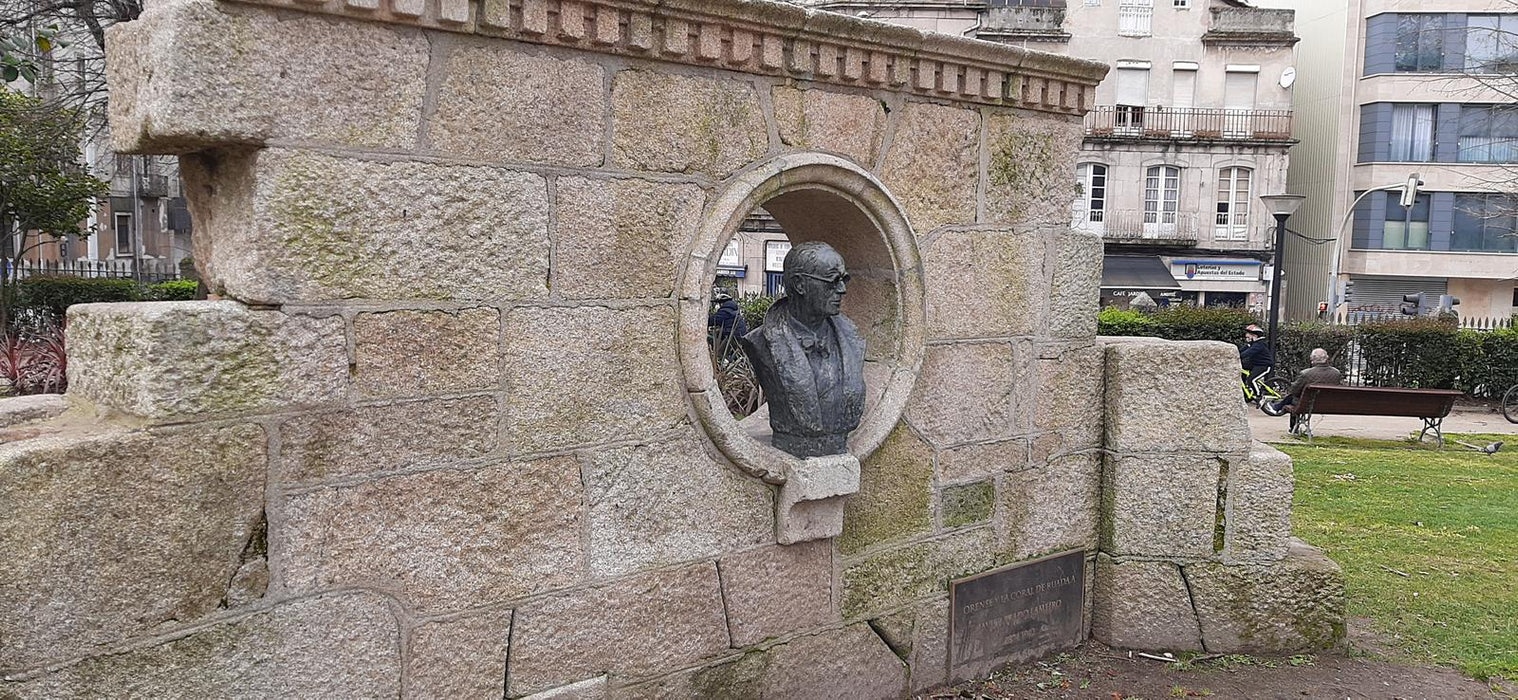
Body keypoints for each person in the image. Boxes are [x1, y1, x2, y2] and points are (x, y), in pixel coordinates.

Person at [740, 241, 866, 458]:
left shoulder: (852, 338)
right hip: (791, 445)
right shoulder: (761, 342)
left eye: (844, 279)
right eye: (832, 281)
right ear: (800, 285)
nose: (842, 290)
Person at [1270, 348, 1343, 431]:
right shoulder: (1336, 373)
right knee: (1295, 398)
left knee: (1292, 397)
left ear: (1312, 360)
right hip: (1328, 404)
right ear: (1327, 358)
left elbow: (1294, 390)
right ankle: (1277, 407)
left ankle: (1288, 420)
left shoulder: (1306, 373)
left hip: (1307, 404)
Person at [1239, 323, 1275, 402]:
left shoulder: (1259, 345)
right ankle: (1246, 393)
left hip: (1264, 365)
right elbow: (1241, 350)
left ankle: (1259, 396)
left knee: (1251, 380)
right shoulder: (1252, 344)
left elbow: (1247, 353)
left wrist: (1239, 356)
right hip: (1255, 364)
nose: (1246, 336)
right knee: (1241, 368)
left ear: (1255, 336)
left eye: (1249, 335)